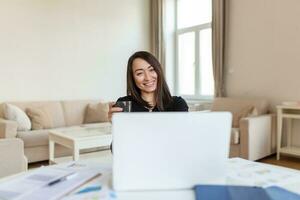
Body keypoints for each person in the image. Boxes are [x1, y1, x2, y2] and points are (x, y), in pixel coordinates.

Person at [108, 51, 188, 121]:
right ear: (132, 78)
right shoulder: (124, 104)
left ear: (158, 71)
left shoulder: (177, 104)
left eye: (151, 70)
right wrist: (115, 124)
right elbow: (122, 137)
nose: (148, 78)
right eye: (140, 73)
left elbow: (182, 136)